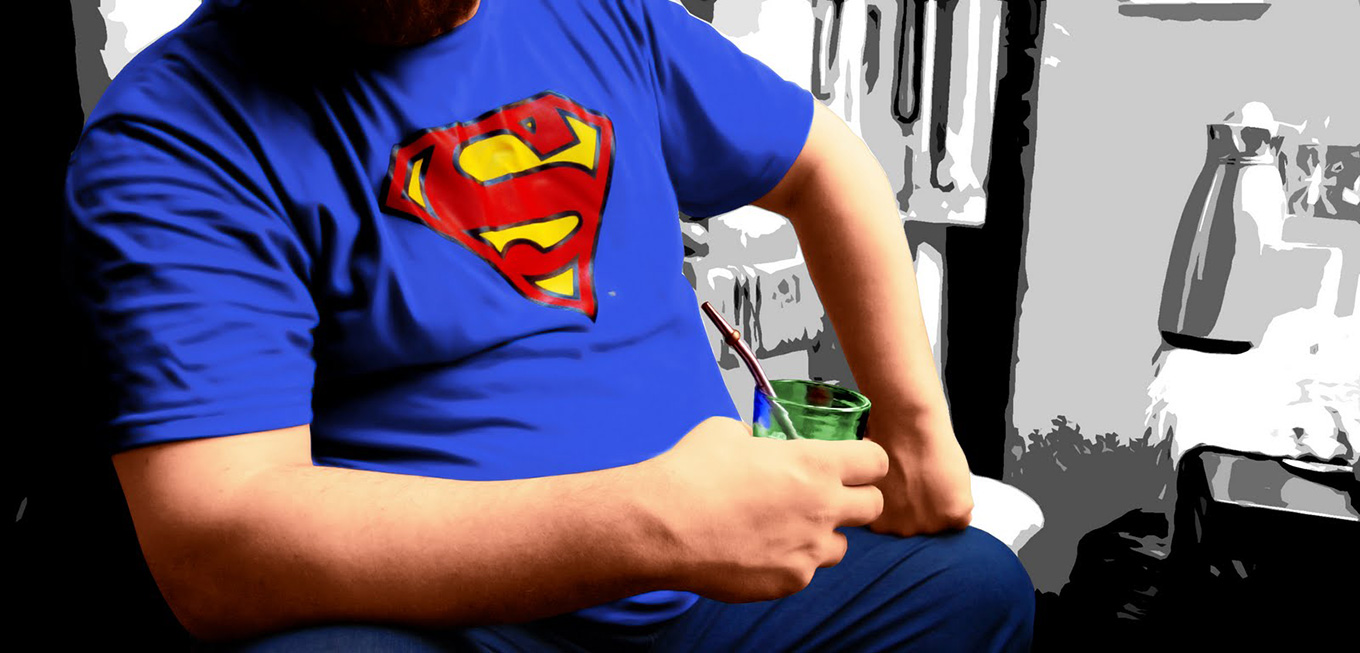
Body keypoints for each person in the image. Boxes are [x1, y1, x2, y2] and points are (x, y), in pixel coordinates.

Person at [62, 0, 1035, 650]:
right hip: (447, 623)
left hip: (708, 600)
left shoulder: (595, 10)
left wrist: (916, 427)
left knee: (973, 588)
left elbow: (823, 163)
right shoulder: (172, 137)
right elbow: (217, 546)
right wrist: (653, 522)